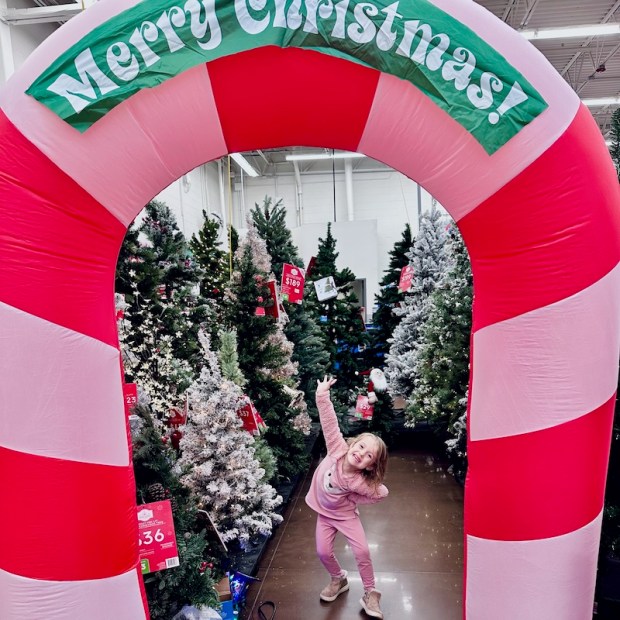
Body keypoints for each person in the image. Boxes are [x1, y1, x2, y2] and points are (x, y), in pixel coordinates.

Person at [305, 375, 389, 619]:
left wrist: (354, 499)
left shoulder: (360, 482)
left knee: (362, 551)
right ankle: (338, 579)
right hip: (324, 513)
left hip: (345, 516)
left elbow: (381, 493)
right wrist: (322, 394)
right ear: (353, 444)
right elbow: (329, 421)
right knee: (322, 551)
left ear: (370, 467)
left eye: (369, 456)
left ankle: (370, 591)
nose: (361, 454)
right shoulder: (337, 448)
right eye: (361, 446)